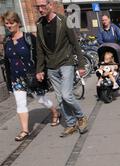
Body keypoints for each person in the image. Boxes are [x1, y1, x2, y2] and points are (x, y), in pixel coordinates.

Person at [2, 10, 58, 142]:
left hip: (31, 76)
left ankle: (55, 112)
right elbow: (7, 63)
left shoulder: (29, 38)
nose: (9, 26)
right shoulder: (6, 41)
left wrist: (40, 71)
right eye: (6, 24)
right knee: (20, 104)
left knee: (40, 99)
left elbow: (39, 55)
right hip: (17, 79)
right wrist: (9, 82)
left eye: (11, 23)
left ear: (18, 23)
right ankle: (24, 130)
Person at [35, 0, 88, 137]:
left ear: (50, 5)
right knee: (60, 98)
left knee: (66, 95)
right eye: (38, 7)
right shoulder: (39, 24)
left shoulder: (64, 21)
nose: (40, 9)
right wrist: (39, 69)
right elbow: (40, 50)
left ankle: (81, 117)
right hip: (51, 67)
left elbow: (75, 43)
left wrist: (81, 65)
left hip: (66, 63)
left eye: (42, 6)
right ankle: (71, 124)